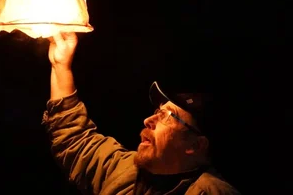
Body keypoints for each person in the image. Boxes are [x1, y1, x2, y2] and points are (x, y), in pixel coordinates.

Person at [42, 31, 241, 195]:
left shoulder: (210, 191)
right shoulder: (125, 171)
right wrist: (61, 66)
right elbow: (75, 140)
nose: (148, 120)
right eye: (156, 112)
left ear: (195, 145)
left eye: (167, 116)